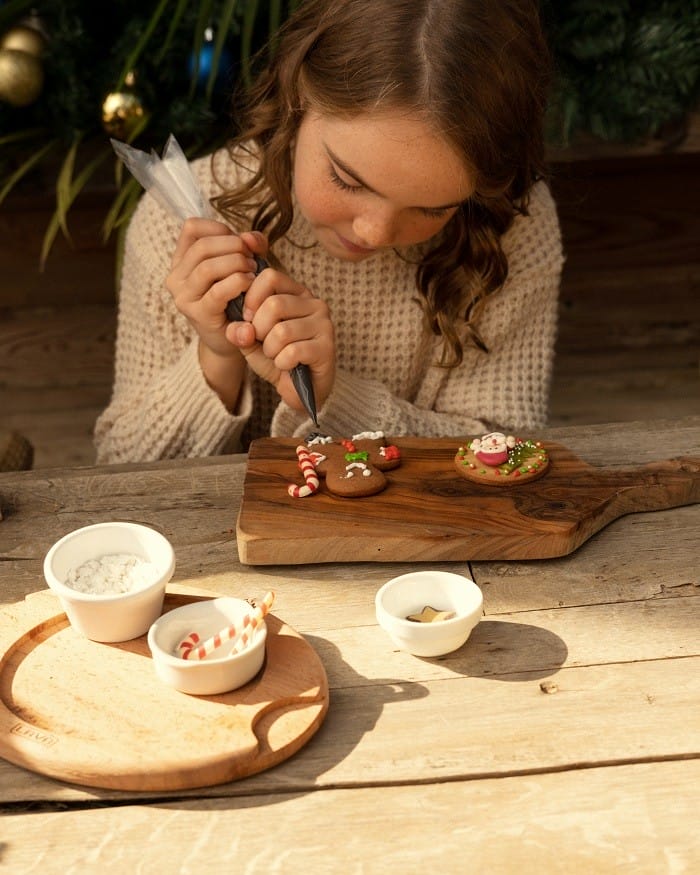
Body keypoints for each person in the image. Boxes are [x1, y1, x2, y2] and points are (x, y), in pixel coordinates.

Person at [94, 0, 563, 464]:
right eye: (348, 180)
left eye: (432, 209)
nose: (374, 233)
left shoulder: (510, 228)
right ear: (298, 96)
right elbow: (121, 472)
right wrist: (217, 358)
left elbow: (511, 459)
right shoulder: (183, 217)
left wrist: (334, 399)